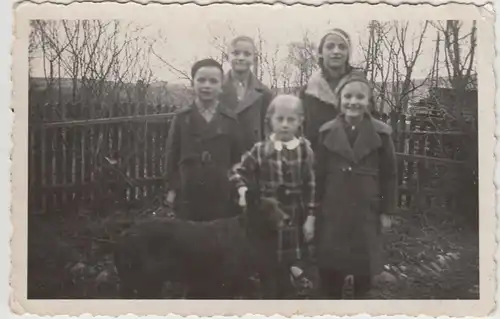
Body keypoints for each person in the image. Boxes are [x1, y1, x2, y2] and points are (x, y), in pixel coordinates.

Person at [314, 73, 397, 299]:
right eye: (348, 96)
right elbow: (318, 175)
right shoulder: (326, 132)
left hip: (366, 211)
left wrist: (387, 211)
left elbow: (389, 175)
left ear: (368, 101)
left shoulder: (382, 134)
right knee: (331, 272)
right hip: (333, 210)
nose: (353, 102)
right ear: (339, 100)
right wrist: (314, 210)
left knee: (363, 271)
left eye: (360, 97)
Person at [230, 94, 317, 298]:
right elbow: (237, 172)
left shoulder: (305, 150)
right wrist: (242, 191)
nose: (285, 125)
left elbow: (311, 185)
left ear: (300, 121)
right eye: (280, 119)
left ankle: (291, 291)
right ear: (270, 120)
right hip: (268, 218)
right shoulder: (261, 150)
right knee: (269, 264)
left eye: (291, 120)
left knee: (292, 262)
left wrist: (311, 218)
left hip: (295, 217)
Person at [164, 58, 243, 222]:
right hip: (188, 196)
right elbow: (172, 157)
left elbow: (237, 160)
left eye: (213, 81)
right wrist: (172, 190)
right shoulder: (182, 118)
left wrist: (239, 190)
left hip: (221, 196)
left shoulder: (230, 120)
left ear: (221, 86)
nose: (207, 85)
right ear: (193, 83)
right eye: (201, 80)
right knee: (188, 243)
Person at [299, 28, 367, 152]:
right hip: (318, 163)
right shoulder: (309, 92)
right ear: (320, 53)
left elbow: (371, 127)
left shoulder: (361, 86)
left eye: (342, 47)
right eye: (330, 47)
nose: (336, 51)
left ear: (348, 53)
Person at [220, 35, 274, 152]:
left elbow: (268, 131)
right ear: (226, 57)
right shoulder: (217, 90)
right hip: (222, 156)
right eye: (235, 53)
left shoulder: (264, 93)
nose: (241, 58)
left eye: (247, 54)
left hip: (252, 156)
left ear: (254, 58)